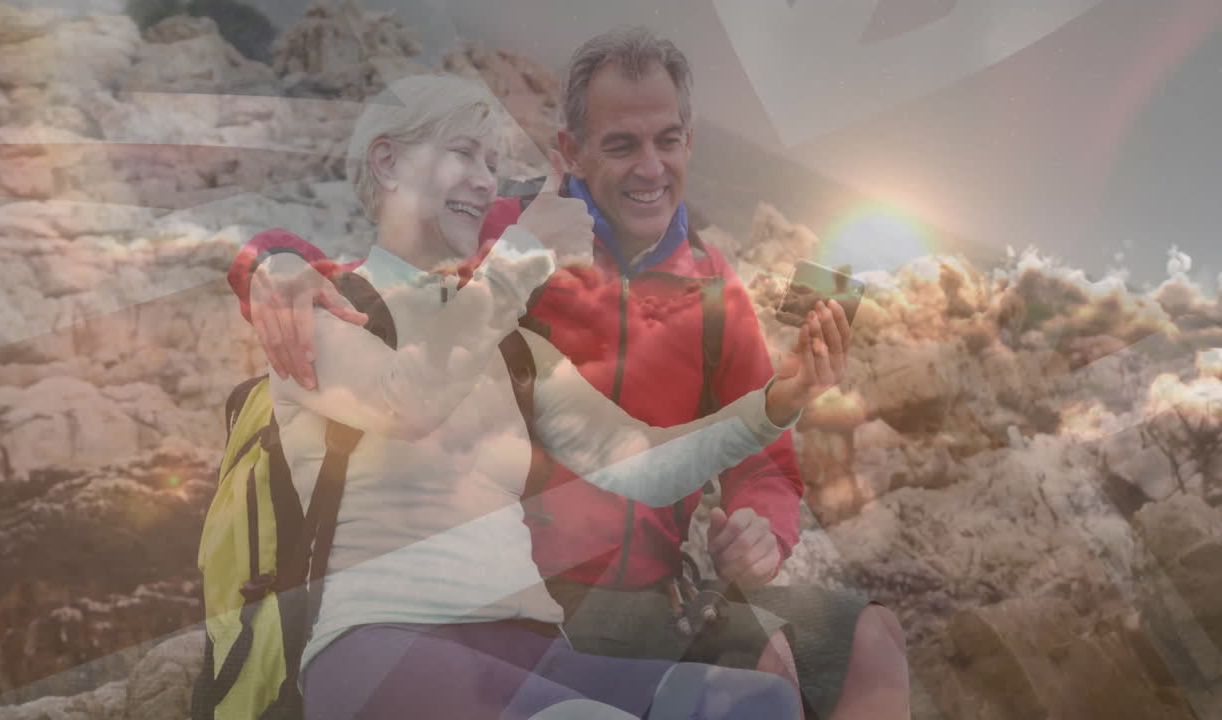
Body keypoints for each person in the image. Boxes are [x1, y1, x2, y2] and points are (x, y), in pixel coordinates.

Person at [232, 28, 909, 720]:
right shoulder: (505, 236)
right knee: (759, 662)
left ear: (689, 142)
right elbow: (387, 272)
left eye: (667, 140)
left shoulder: (715, 294)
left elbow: (720, 465)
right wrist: (268, 261)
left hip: (648, 598)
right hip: (541, 596)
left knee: (852, 648)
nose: (651, 167)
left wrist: (777, 444)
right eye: (622, 144)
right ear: (571, 151)